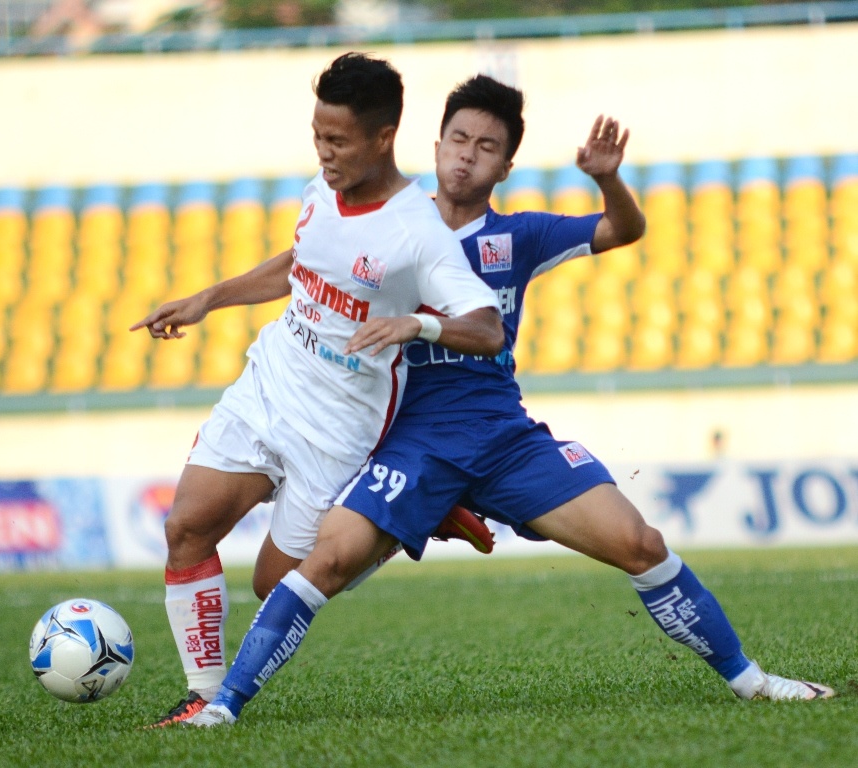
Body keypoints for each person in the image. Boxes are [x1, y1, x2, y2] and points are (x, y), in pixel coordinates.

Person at [187, 75, 835, 727]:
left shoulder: (520, 237)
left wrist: (607, 179)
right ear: (435, 144)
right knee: (307, 569)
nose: (467, 154)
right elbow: (299, 264)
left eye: (486, 146)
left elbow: (622, 229)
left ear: (504, 165)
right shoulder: (388, 224)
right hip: (410, 443)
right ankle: (222, 707)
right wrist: (211, 298)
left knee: (639, 541)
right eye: (459, 139)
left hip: (503, 437)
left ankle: (752, 681)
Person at [130, 53, 505, 727]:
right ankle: (204, 696)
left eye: (337, 141)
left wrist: (416, 323)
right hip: (268, 384)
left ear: (382, 137)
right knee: (186, 526)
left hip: (338, 429)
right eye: (317, 138)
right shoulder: (320, 189)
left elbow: (484, 329)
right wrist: (207, 298)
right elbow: (302, 264)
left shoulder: (416, 232)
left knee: (274, 586)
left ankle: (404, 515)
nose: (324, 154)